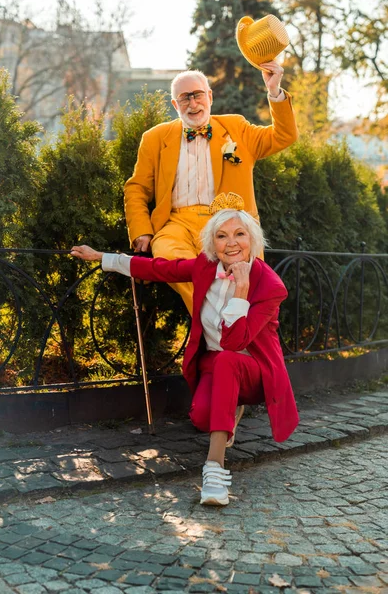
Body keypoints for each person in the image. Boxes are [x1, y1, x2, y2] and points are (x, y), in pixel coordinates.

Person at [71, 192, 299, 506]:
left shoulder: (271, 286)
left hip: (252, 369)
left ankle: (214, 470)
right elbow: (158, 268)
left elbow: (234, 344)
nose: (231, 243)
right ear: (212, 243)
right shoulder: (205, 266)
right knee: (202, 418)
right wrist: (102, 258)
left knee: (228, 361)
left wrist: (242, 289)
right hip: (214, 363)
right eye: (221, 236)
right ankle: (228, 410)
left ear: (253, 239)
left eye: (239, 234)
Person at [124, 61, 298, 315]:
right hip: (177, 224)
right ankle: (221, 325)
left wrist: (274, 91)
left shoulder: (236, 128)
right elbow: (137, 188)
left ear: (210, 97)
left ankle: (229, 335)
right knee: (170, 261)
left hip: (229, 224)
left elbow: (284, 136)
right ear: (175, 105)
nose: (193, 104)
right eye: (185, 98)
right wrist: (142, 231)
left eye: (198, 95)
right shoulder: (154, 138)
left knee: (244, 282)